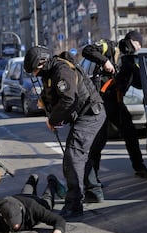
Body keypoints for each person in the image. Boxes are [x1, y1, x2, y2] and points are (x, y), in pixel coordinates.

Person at [23, 46, 106, 218]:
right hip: (87, 113)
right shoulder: (50, 72)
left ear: (42, 63)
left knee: (73, 157)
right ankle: (94, 191)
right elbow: (53, 96)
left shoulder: (61, 70)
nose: (34, 75)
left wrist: (53, 119)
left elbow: (69, 99)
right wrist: (48, 107)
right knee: (80, 153)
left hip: (91, 113)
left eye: (35, 70)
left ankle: (74, 204)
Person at [81, 31, 147, 190]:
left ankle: (139, 168)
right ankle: (91, 180)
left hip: (116, 101)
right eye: (138, 44)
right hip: (101, 100)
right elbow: (87, 50)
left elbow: (139, 82)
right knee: (99, 139)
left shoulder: (131, 60)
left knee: (130, 133)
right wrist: (105, 61)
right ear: (131, 41)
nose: (138, 48)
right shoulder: (109, 46)